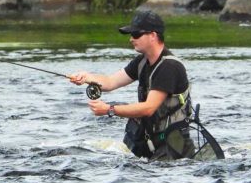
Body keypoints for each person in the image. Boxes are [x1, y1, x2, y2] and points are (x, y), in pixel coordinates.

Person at [69, 10, 195, 160]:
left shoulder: (169, 67)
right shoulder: (142, 62)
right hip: (153, 141)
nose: (131, 39)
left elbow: (148, 108)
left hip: (173, 147)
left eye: (136, 34)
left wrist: (109, 110)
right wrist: (86, 77)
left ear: (153, 35)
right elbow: (110, 82)